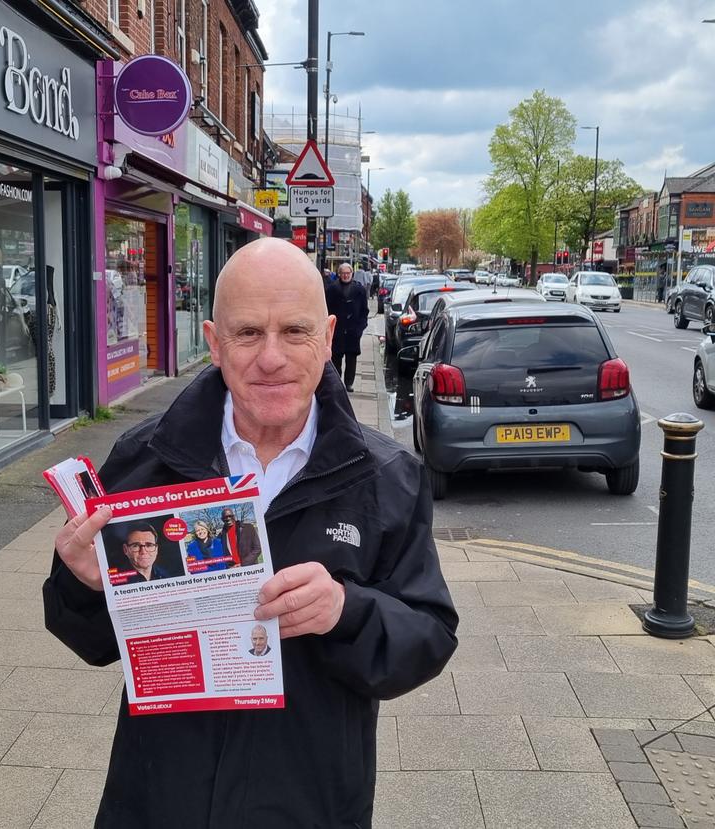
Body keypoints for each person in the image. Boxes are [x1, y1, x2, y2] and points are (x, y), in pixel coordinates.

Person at [43, 236, 457, 829]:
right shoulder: (145, 460)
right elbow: (92, 642)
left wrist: (346, 610)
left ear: (329, 336)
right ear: (213, 343)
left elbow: (430, 636)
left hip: (310, 804)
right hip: (160, 801)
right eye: (247, 334)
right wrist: (84, 584)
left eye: (294, 331)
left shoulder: (387, 478)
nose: (271, 358)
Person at [324, 262, 369, 392]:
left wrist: (360, 327)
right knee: (336, 358)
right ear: (339, 274)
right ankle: (337, 383)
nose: (345, 276)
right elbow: (326, 308)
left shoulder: (359, 290)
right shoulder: (332, 289)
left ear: (352, 274)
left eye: (348, 273)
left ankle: (349, 383)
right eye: (343, 273)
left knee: (351, 359)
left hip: (353, 331)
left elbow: (364, 311)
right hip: (337, 330)